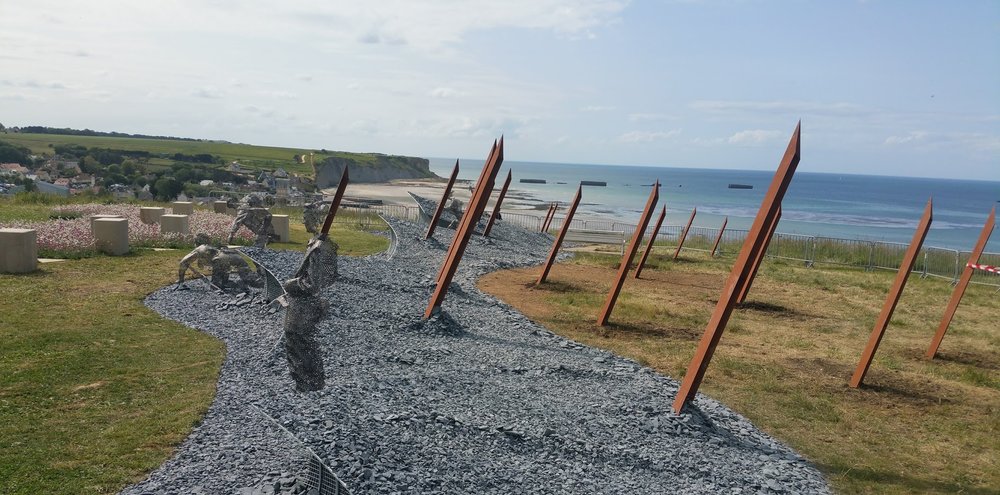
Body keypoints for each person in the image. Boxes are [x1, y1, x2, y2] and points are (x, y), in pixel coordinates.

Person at [282, 233, 338, 391]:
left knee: (299, 341)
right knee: (304, 343)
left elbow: (312, 284)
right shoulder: (323, 246)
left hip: (304, 307)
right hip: (308, 306)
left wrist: (290, 284)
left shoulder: (318, 248)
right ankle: (311, 382)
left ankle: (307, 384)